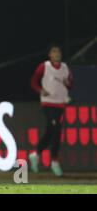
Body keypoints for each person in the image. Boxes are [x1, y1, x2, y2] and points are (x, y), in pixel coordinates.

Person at [29, 44, 73, 176]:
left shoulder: (65, 67)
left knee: (50, 132)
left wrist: (68, 84)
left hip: (60, 104)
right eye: (54, 51)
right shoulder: (44, 66)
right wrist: (40, 90)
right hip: (48, 103)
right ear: (50, 54)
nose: (57, 53)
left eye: (59, 51)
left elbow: (71, 84)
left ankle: (35, 154)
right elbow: (33, 82)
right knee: (57, 129)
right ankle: (54, 161)